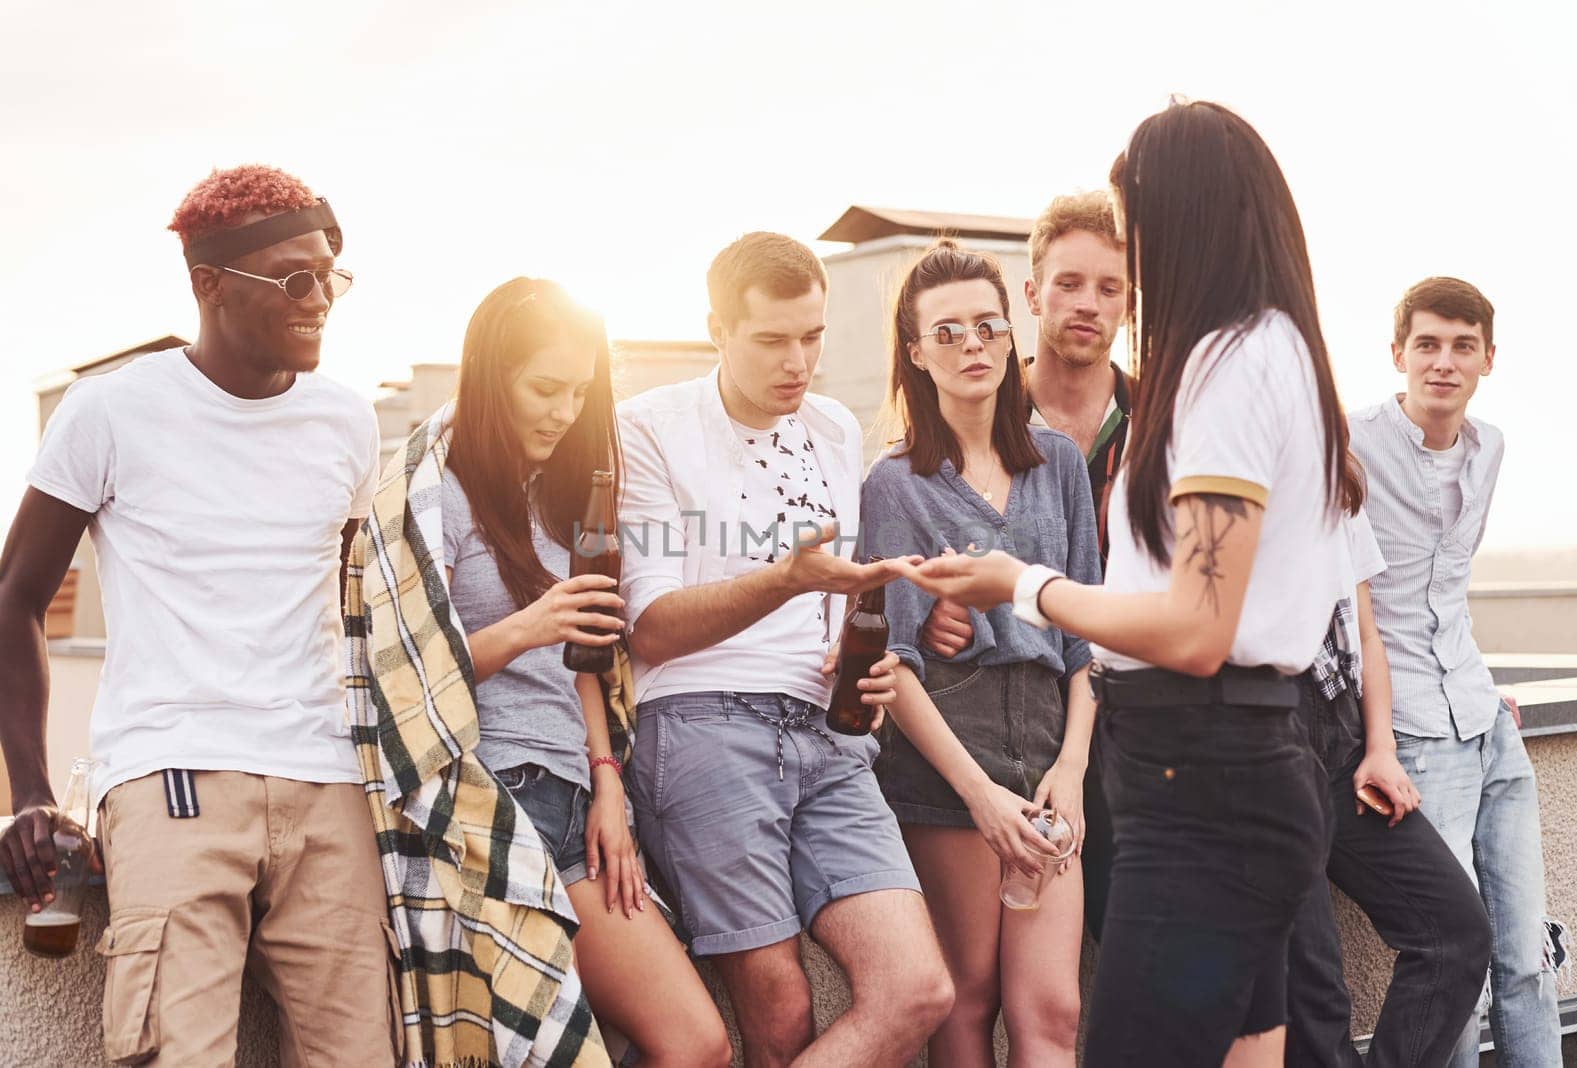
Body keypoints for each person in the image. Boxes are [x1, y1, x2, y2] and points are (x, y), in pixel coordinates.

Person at [889, 100, 1357, 1066]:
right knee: (1251, 1048)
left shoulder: (1221, 368)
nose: (1132, 257)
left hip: (1203, 783)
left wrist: (1023, 585)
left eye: (1134, 222)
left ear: (1178, 216)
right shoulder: (1281, 351)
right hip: (1246, 761)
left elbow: (1194, 627)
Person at [0, 166, 396, 1065]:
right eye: (293, 278)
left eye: (331, 275)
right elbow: (15, 598)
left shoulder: (347, 423)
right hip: (170, 773)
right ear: (209, 284)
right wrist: (29, 792)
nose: (320, 299)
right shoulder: (109, 410)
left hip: (325, 781)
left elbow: (357, 606)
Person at [615, 232, 954, 1067]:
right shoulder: (649, 426)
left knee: (919, 989)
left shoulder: (837, 427)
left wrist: (869, 649)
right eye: (771, 339)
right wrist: (787, 579)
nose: (797, 361)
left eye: (812, 336)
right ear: (716, 330)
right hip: (699, 721)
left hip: (830, 734)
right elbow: (649, 625)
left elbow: (843, 594)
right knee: (779, 1006)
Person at [434, 278, 730, 1066]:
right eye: (544, 389)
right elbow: (408, 674)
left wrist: (608, 787)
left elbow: (588, 663)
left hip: (577, 795)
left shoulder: (559, 502)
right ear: (491, 378)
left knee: (672, 1041)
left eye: (579, 392)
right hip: (498, 796)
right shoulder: (439, 497)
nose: (564, 412)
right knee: (647, 1045)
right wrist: (527, 625)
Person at [860, 239, 1101, 1066]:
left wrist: (1071, 770)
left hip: (1048, 759)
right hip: (947, 768)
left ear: (1011, 337)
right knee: (966, 999)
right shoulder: (894, 485)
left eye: (987, 327)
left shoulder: (1059, 462)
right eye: (948, 331)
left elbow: (1086, 638)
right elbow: (891, 663)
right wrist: (980, 798)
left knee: (1053, 1008)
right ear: (916, 353)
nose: (971, 345)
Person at [1349, 277, 1564, 1066]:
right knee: (1455, 963)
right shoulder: (1351, 442)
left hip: (1484, 720)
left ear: (1488, 358)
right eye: (1428, 344)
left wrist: (1479, 677)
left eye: (1462, 346)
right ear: (1398, 354)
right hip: (1410, 732)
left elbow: (1450, 587)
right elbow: (1353, 603)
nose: (1444, 362)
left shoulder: (1491, 446)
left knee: (1527, 956)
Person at [920, 192, 1131, 944]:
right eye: (1069, 283)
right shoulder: (948, 443)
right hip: (999, 745)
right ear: (1032, 296)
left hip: (1128, 722)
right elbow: (899, 632)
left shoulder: (1162, 427)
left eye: (1110, 288)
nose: (1088, 303)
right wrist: (946, 615)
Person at [1284, 486, 1491, 1067]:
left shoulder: (1334, 490)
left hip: (1344, 743)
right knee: (1312, 993)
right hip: (1265, 757)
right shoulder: (1221, 478)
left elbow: (1366, 632)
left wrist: (1380, 745)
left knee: (1456, 933)